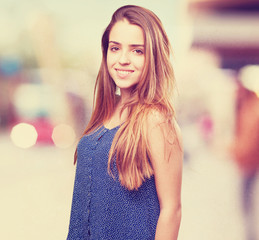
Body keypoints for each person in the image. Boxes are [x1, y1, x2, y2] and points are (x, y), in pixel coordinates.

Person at [67, 5, 183, 240]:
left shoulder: (156, 119)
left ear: (153, 56)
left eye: (137, 51)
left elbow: (172, 210)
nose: (123, 60)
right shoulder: (105, 110)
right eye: (115, 48)